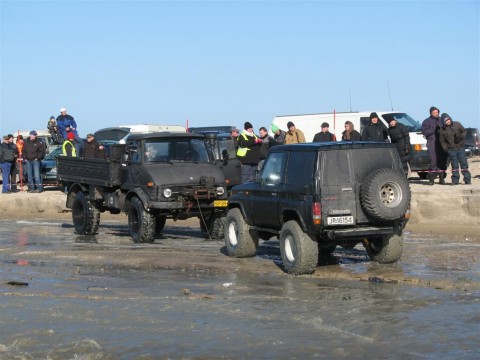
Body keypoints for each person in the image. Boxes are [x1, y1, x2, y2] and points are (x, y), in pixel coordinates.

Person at [439, 113, 471, 185]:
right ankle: (455, 180)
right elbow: (442, 141)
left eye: (448, 119)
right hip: (451, 150)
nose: (448, 121)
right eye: (446, 120)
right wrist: (445, 149)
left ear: (450, 118)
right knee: (454, 165)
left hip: (460, 148)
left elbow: (464, 131)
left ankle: (467, 179)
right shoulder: (442, 130)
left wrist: (461, 137)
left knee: (464, 164)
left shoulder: (457, 124)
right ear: (443, 122)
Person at [422, 106, 447, 185]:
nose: (436, 114)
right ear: (431, 113)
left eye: (437, 112)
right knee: (433, 161)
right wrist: (433, 129)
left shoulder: (441, 120)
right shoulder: (426, 121)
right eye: (434, 112)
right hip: (432, 143)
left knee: (442, 161)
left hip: (441, 143)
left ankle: (442, 179)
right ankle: (431, 180)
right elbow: (425, 132)